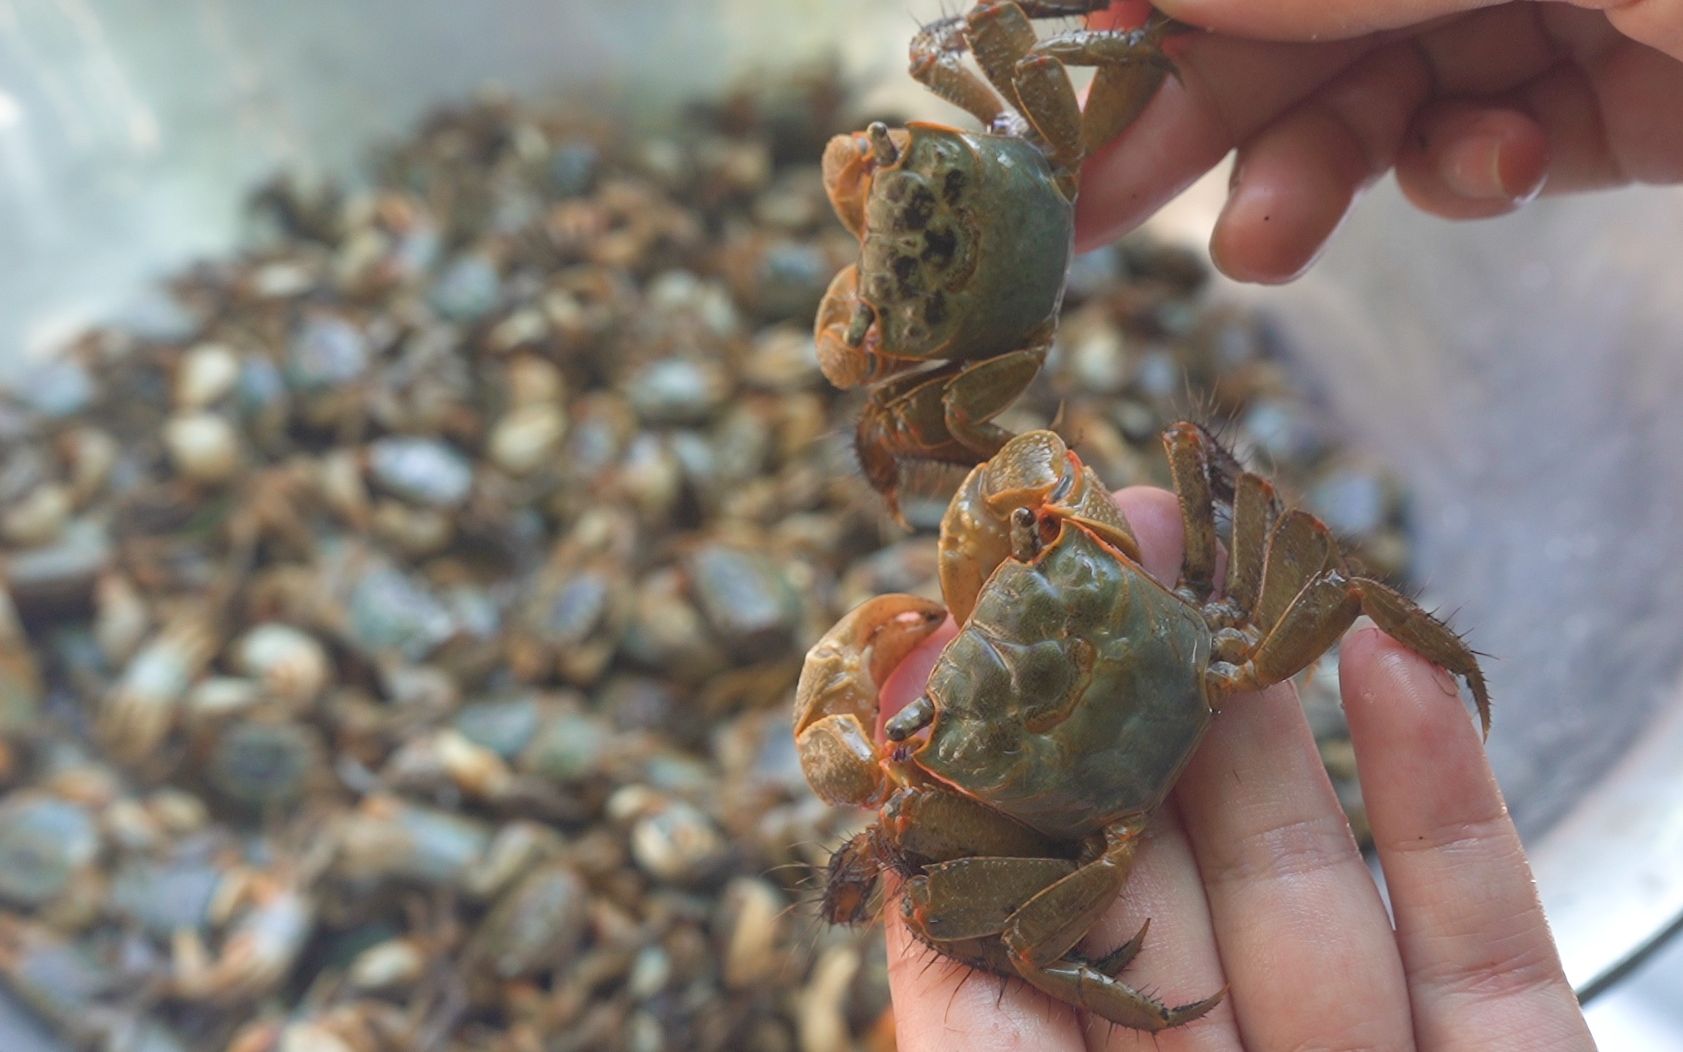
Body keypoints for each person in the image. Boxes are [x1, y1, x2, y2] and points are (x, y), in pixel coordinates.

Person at [878, 1, 1675, 1046]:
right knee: (1241, 503)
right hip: (1224, 656)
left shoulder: (958, 784)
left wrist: (1080, 960)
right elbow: (1330, 576)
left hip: (1125, 807)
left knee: (932, 882)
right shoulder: (1180, 597)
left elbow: (991, 922)